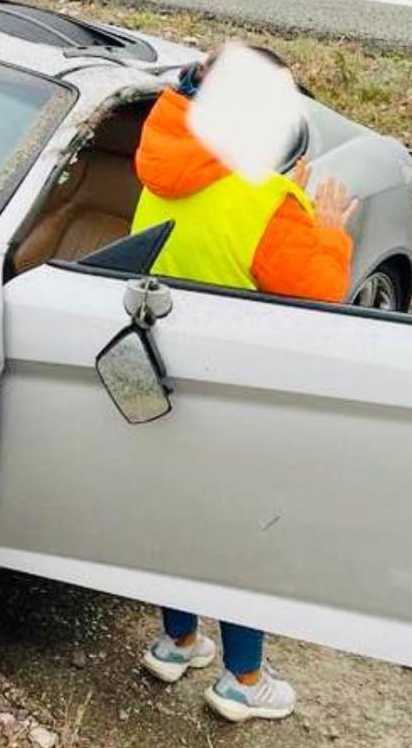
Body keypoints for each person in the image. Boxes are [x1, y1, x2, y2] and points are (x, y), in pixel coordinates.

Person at [130, 44, 359, 722]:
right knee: (240, 535)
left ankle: (176, 642)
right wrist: (329, 230)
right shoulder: (266, 199)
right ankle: (243, 678)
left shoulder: (162, 171)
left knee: (175, 516)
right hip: (234, 387)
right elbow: (320, 294)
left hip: (159, 372)